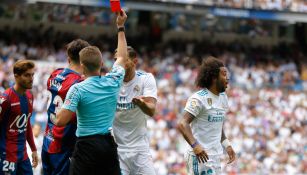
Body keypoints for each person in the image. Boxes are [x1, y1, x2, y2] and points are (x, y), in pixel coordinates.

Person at [54, 10, 128, 175]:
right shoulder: (113, 80)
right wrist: (121, 27)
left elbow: (60, 121)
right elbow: (122, 57)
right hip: (108, 145)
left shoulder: (78, 89)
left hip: (86, 147)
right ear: (102, 63)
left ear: (82, 65)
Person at [177, 57, 236, 175]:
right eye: (224, 74)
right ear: (214, 77)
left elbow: (218, 125)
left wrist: (227, 145)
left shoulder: (223, 97)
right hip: (199, 157)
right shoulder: (199, 98)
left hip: (215, 157)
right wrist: (195, 146)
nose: (227, 78)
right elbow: (182, 124)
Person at [41, 39, 90, 175]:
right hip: (64, 145)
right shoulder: (80, 83)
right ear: (84, 61)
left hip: (47, 140)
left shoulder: (55, 74)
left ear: (68, 59)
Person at [112, 46, 157, 175]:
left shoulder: (145, 78)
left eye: (124, 60)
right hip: (117, 149)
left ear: (135, 62)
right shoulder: (111, 81)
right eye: (116, 60)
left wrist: (142, 104)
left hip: (140, 149)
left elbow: (152, 111)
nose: (118, 64)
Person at [0, 60, 38, 175]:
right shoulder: (5, 99)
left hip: (23, 156)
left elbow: (26, 125)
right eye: (27, 75)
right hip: (6, 157)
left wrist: (34, 149)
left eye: (32, 75)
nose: (31, 79)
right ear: (16, 76)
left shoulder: (30, 96)